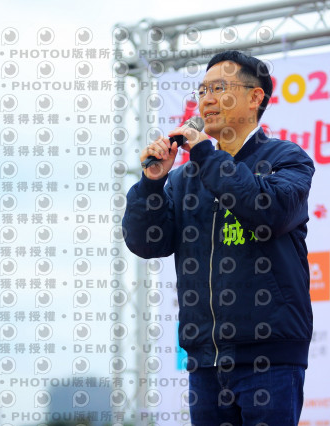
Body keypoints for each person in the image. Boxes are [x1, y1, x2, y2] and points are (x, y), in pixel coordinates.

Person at [122, 50, 314, 426]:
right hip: (205, 362)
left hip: (269, 357)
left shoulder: (287, 159)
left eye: (219, 88)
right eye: (202, 91)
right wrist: (152, 184)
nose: (206, 100)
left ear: (255, 97)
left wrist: (205, 154)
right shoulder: (184, 178)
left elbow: (267, 211)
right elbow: (147, 243)